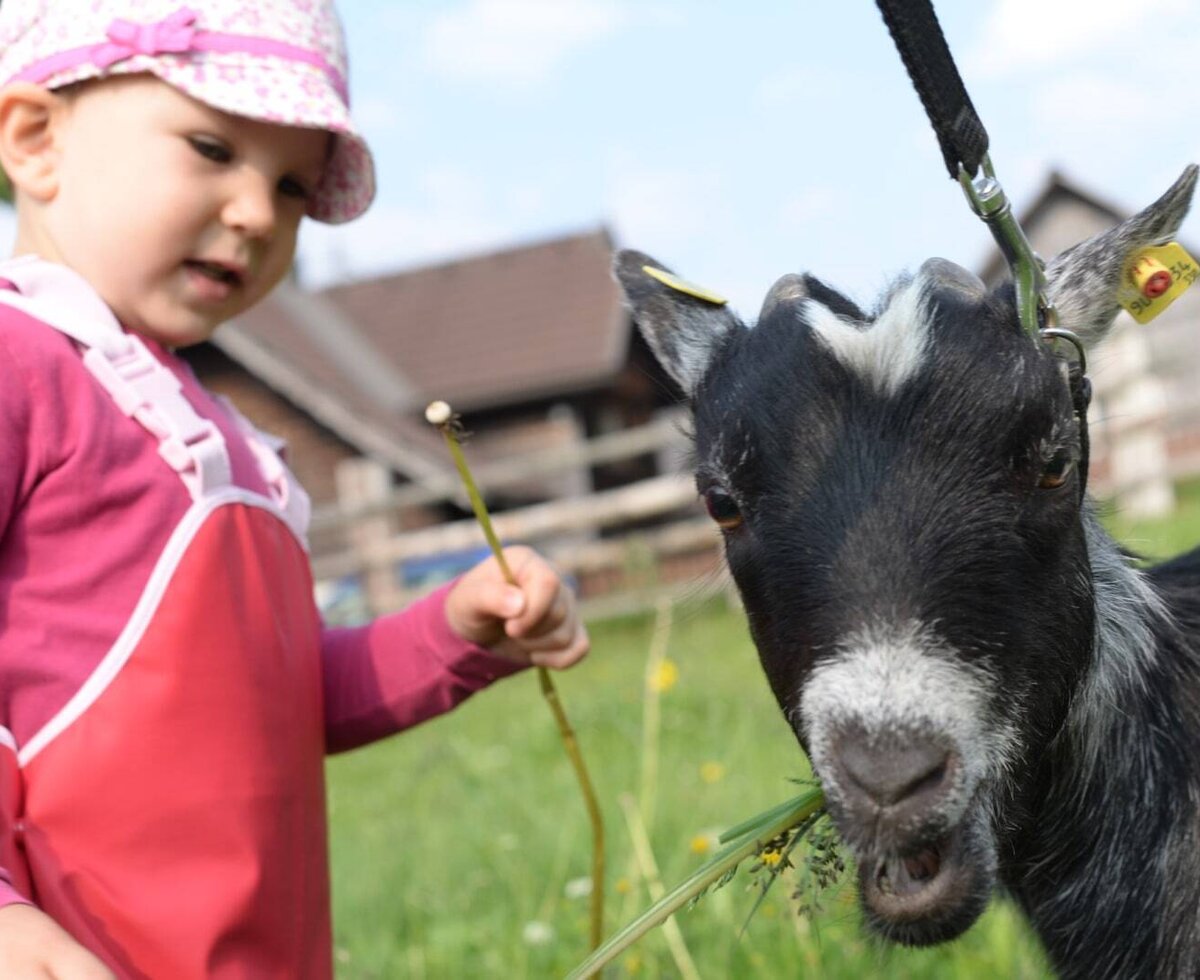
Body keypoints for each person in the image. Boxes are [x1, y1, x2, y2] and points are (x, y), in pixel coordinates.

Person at [0, 1, 590, 976]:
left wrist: (453, 630)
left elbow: (280, 701)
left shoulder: (226, 436)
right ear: (35, 139)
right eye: (210, 146)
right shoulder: (21, 363)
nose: (257, 212)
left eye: (290, 186)